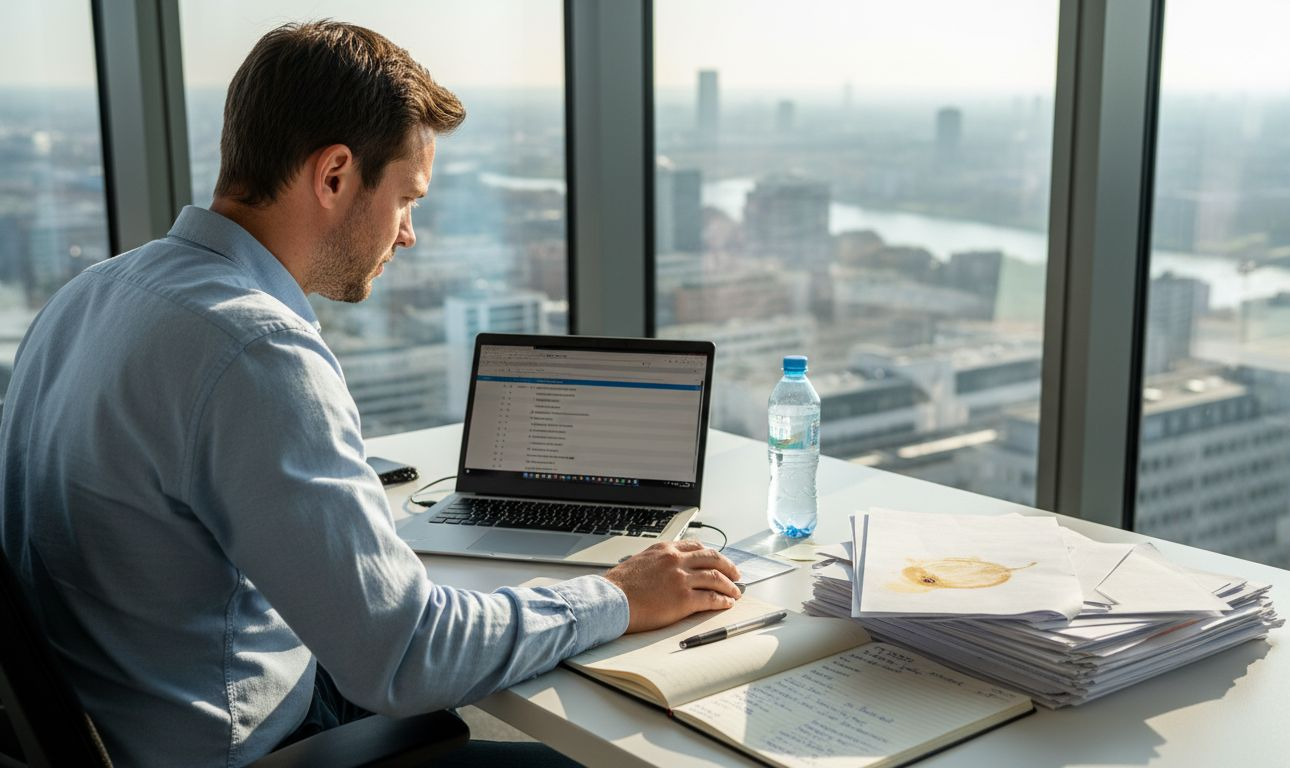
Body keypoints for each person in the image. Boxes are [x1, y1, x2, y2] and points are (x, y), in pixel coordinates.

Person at [0, 20, 741, 767]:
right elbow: (406, 657)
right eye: (406, 198)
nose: (409, 233)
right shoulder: (258, 350)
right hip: (237, 749)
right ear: (334, 175)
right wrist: (618, 596)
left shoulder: (92, 294)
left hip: (125, 716)